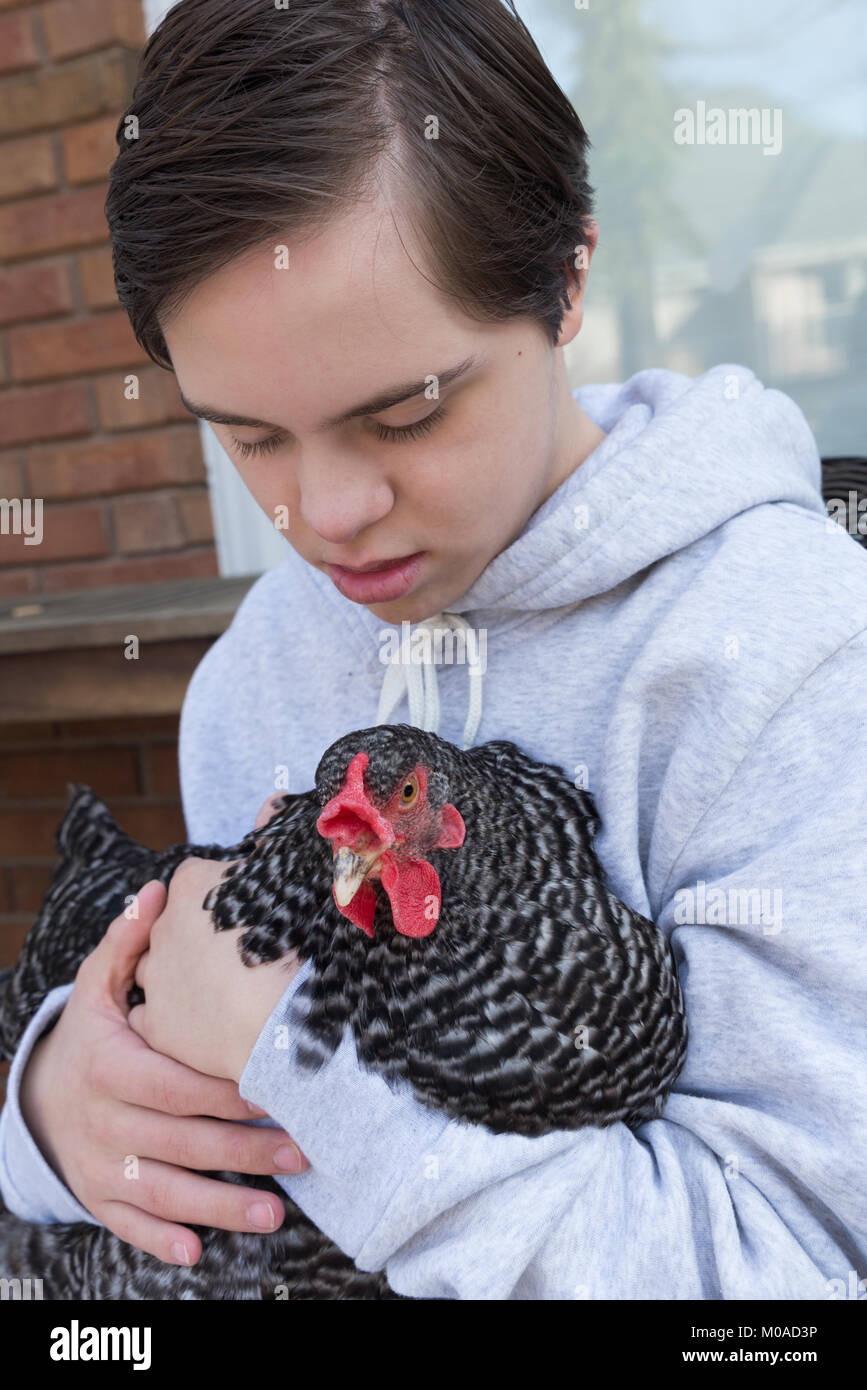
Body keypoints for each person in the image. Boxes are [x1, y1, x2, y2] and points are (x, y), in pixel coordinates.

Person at [1, 0, 865, 1299]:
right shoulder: (252, 677)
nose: (327, 514)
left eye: (404, 411)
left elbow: (794, 1272)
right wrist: (55, 1113)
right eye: (251, 437)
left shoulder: (791, 653)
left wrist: (299, 1065)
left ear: (567, 276)